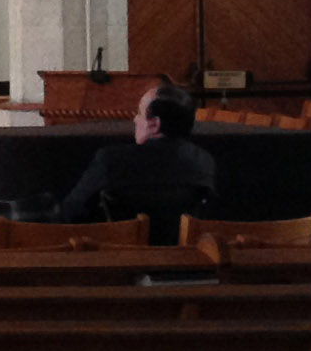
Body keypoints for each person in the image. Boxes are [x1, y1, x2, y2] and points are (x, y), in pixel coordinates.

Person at [55, 82, 220, 245]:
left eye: (139, 113)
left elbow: (72, 212)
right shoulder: (203, 161)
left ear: (154, 124)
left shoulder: (112, 160)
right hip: (182, 261)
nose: (135, 119)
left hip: (122, 260)